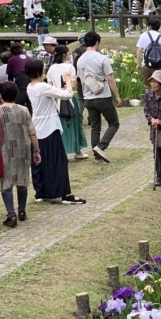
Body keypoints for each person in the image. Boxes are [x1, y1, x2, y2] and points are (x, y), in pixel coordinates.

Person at [25, 60, 86, 204]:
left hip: (37, 127)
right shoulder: (42, 86)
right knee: (58, 161)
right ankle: (64, 193)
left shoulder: (30, 86)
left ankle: (41, 192)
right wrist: (68, 82)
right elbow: (67, 95)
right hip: (50, 127)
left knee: (39, 160)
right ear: (40, 72)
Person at [0, 81, 42, 227]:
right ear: (16, 93)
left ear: (1, 94)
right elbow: (32, 132)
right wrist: (36, 151)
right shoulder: (24, 110)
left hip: (5, 150)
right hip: (23, 149)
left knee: (6, 182)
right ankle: (22, 211)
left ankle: (11, 215)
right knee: (22, 178)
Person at [78, 31, 122, 163]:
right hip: (103, 96)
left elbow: (80, 79)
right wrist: (117, 96)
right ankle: (101, 147)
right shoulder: (101, 58)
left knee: (95, 127)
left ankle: (97, 157)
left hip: (88, 97)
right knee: (114, 123)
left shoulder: (80, 60)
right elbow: (109, 78)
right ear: (97, 42)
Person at [46, 46, 89, 160]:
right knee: (75, 124)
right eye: (68, 53)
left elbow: (49, 86)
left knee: (60, 126)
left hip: (56, 99)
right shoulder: (69, 67)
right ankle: (77, 151)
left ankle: (63, 152)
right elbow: (73, 84)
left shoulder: (51, 68)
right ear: (64, 55)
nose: (69, 55)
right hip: (69, 97)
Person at [136, 18, 161, 92]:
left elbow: (139, 50)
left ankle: (149, 100)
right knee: (158, 85)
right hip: (158, 65)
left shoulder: (144, 35)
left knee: (147, 85)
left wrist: (138, 64)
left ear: (150, 26)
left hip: (146, 64)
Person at [6, 43, 32, 113]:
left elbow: (10, 77)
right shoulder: (29, 58)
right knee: (31, 105)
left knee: (18, 106)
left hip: (20, 81)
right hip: (30, 80)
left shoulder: (11, 60)